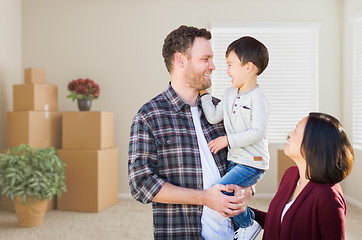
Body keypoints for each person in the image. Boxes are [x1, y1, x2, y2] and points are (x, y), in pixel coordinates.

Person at [128, 25, 253, 240]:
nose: (213, 66)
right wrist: (204, 198)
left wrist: (247, 191)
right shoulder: (149, 116)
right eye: (205, 59)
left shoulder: (223, 110)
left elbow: (244, 161)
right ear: (180, 60)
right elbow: (141, 184)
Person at [199, 36, 270, 239]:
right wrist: (204, 94)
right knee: (229, 193)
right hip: (235, 161)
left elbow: (257, 132)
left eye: (230, 65)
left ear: (248, 67)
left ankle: (248, 223)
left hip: (253, 163)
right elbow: (213, 116)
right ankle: (242, 224)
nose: (227, 70)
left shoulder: (258, 99)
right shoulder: (229, 94)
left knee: (218, 191)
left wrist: (227, 140)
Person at [249, 112, 354, 240]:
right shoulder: (291, 174)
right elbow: (278, 222)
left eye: (296, 130)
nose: (289, 134)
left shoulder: (329, 197)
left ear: (313, 143)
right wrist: (243, 210)